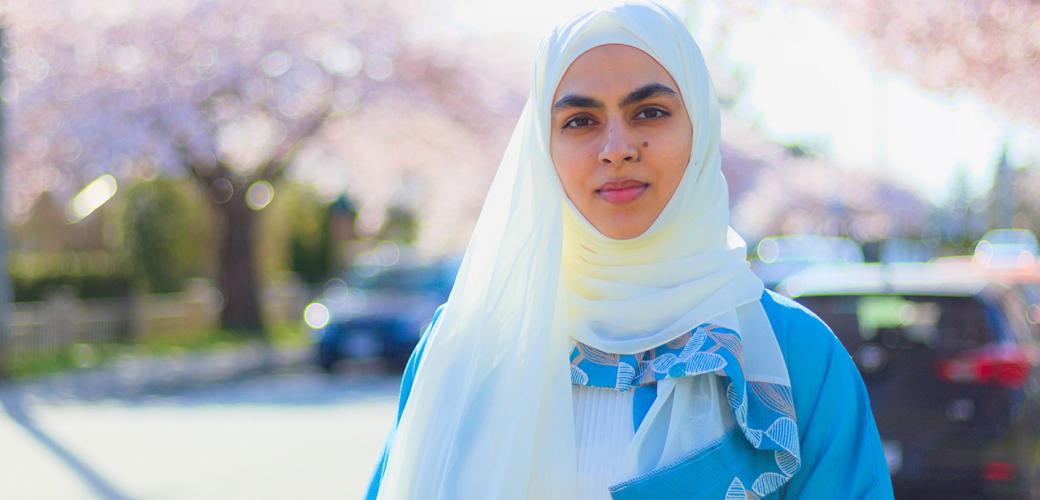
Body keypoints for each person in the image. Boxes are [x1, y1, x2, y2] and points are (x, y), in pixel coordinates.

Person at [365, 2, 893, 499]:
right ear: (541, 148)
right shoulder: (470, 346)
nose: (616, 148)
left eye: (650, 112)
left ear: (700, 131)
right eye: (579, 120)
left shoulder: (788, 354)